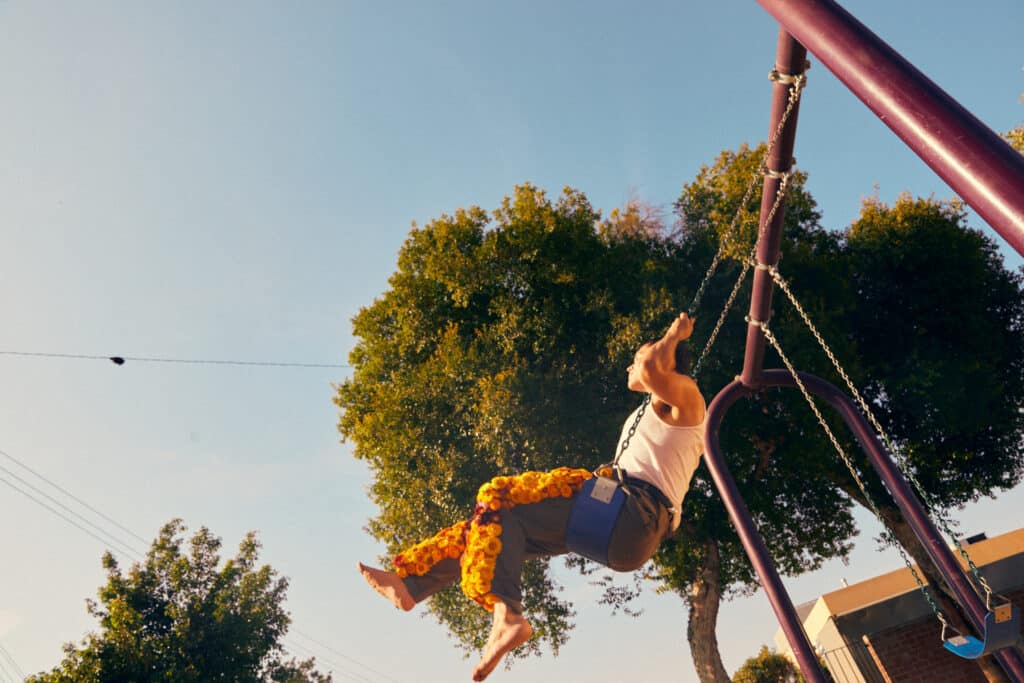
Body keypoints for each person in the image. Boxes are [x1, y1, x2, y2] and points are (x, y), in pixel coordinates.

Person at [358, 312, 706, 681]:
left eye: (637, 356)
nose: (630, 365)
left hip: (635, 517)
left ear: (666, 360)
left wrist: (674, 334)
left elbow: (652, 368)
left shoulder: (689, 402)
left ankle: (508, 615)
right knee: (489, 526)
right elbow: (651, 370)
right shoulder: (653, 407)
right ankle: (411, 585)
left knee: (500, 495)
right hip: (619, 526)